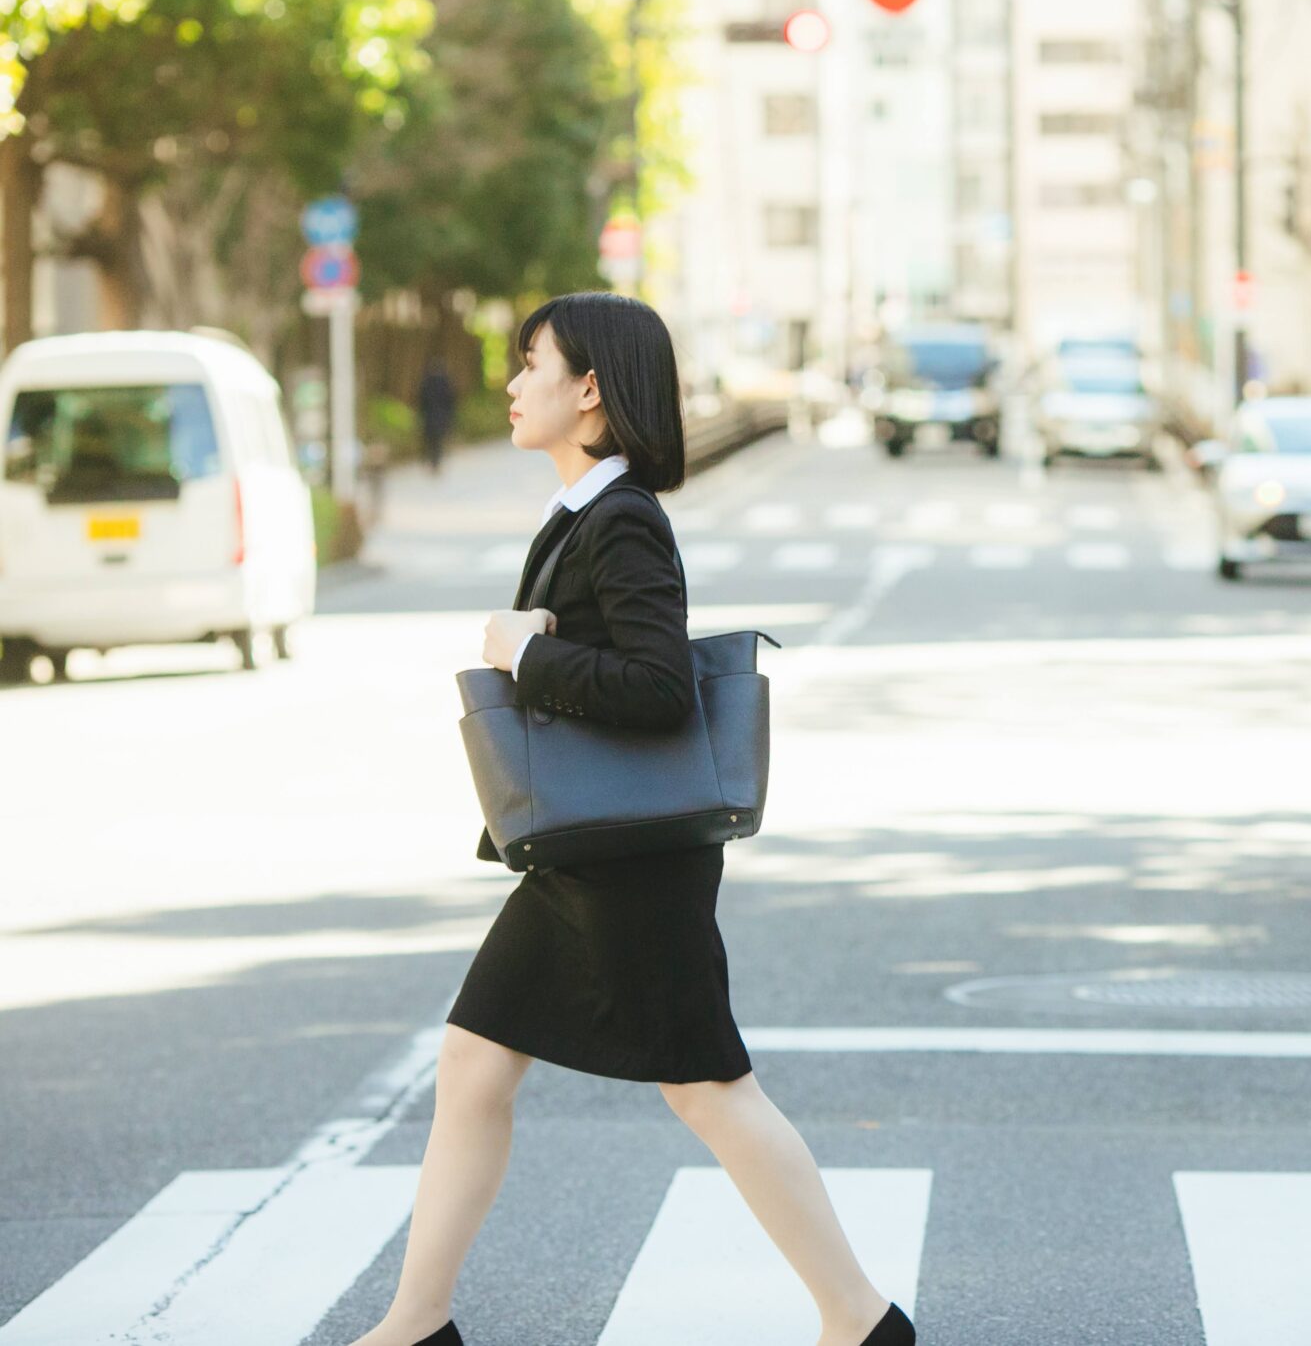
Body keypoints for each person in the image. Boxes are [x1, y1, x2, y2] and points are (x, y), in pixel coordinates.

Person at [349, 292, 914, 1346]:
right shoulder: (585, 514)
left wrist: (524, 652)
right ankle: (414, 1324)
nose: (513, 384)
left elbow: (658, 688)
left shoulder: (623, 522)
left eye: (531, 365)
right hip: (583, 854)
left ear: (590, 389)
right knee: (474, 1062)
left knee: (707, 1087)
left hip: (631, 863)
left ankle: (860, 1317)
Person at [416, 359, 456, 476]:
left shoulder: (426, 382)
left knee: (431, 441)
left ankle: (432, 462)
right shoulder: (444, 382)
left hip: (429, 417)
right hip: (441, 417)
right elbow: (450, 400)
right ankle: (435, 463)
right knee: (437, 441)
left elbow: (421, 400)